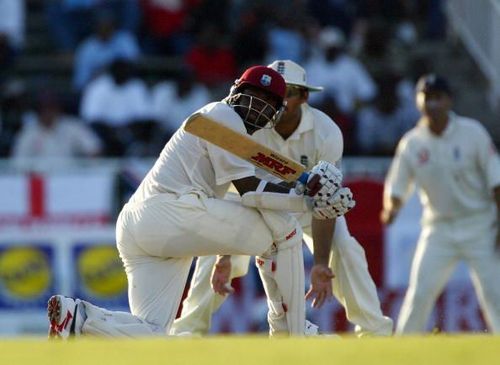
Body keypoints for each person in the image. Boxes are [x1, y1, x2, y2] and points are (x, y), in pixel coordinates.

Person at [47, 65, 354, 339]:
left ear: (274, 113)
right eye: (252, 95)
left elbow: (258, 193)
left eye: (265, 103)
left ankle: (80, 319)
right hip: (170, 210)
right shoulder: (222, 116)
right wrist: (309, 201)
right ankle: (292, 333)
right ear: (236, 91)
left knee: (153, 334)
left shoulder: (246, 140)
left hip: (141, 227)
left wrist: (309, 192)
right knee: (284, 231)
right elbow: (250, 192)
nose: (256, 106)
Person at [171, 60, 393, 337]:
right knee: (213, 256)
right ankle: (187, 332)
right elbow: (235, 190)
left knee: (345, 249)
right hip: (253, 202)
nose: (278, 101)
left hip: (305, 206)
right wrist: (224, 255)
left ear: (304, 97)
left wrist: (321, 263)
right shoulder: (250, 123)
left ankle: (375, 333)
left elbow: (326, 201)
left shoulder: (326, 132)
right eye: (274, 94)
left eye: (288, 93)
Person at [381, 74, 500, 334]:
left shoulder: (473, 133)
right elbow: (398, 185)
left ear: (449, 100)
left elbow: (496, 181)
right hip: (438, 228)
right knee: (420, 292)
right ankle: (401, 353)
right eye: (426, 97)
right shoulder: (412, 143)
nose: (431, 104)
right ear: (417, 101)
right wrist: (392, 208)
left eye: (437, 97)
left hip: (479, 224)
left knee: (494, 293)